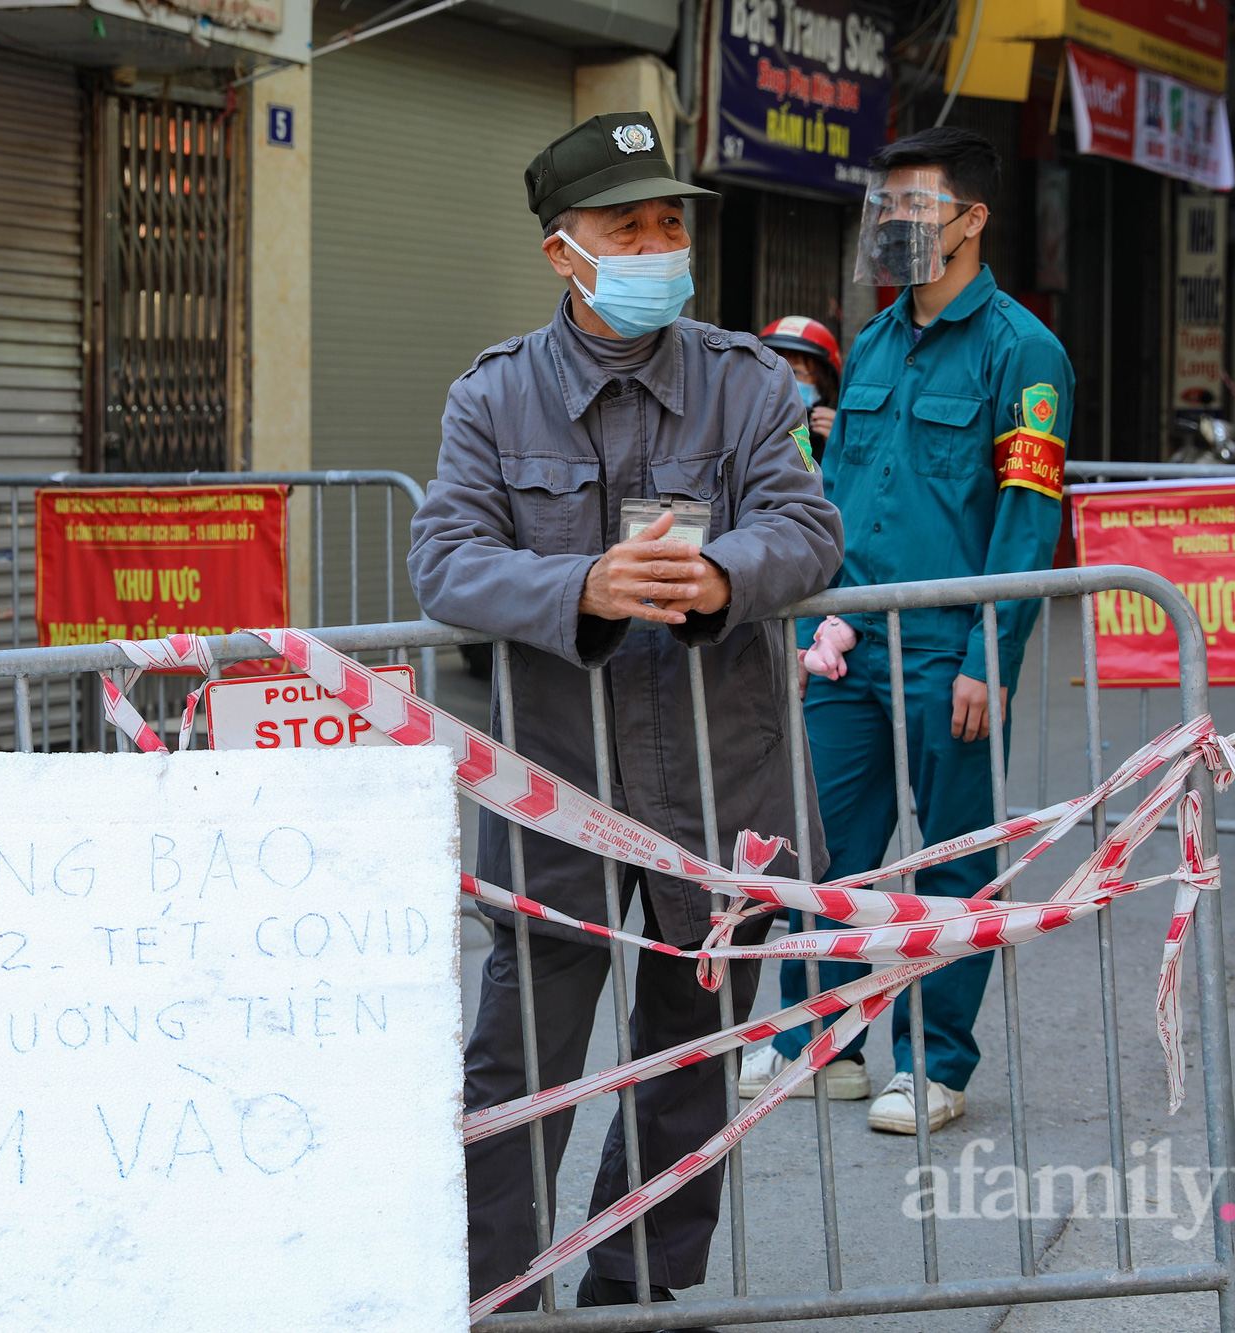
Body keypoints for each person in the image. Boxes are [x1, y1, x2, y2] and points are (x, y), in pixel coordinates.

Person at [409, 112, 844, 1316]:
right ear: (563, 250)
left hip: (723, 782)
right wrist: (577, 586)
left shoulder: (747, 380)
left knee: (688, 1065)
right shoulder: (492, 399)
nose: (658, 241)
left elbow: (806, 527)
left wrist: (722, 575)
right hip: (559, 782)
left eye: (669, 221)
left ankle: (639, 1287)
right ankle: (493, 1288)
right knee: (519, 1066)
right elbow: (442, 560)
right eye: (626, 225)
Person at [743, 128, 1074, 1133]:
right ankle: (820, 1042)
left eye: (912, 208)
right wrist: (814, 627)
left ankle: (931, 1063)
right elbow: (839, 495)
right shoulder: (877, 339)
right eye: (881, 207)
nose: (889, 225)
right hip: (851, 645)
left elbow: (1025, 522)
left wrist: (988, 654)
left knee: (950, 860)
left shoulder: (1024, 351)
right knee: (823, 849)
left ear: (970, 220)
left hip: (945, 654)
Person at [757, 315, 841, 459]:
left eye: (796, 371)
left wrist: (840, 451)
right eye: (772, 368)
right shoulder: (744, 428)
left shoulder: (833, 434)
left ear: (823, 383)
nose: (783, 378)